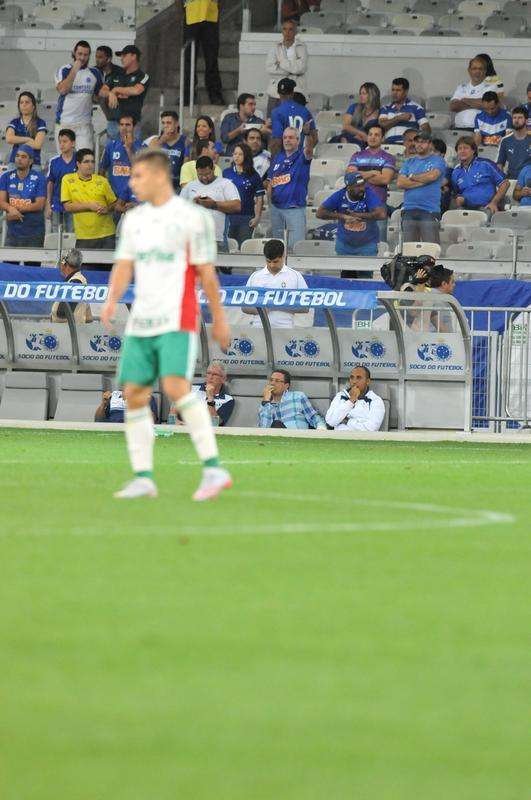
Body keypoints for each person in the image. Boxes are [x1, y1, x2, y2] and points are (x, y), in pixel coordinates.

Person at [100, 148, 232, 501]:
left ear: (159, 176)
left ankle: (213, 468)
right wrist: (112, 300)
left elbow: (206, 273)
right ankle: (143, 476)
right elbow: (125, 264)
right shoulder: (134, 220)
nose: (131, 183)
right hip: (141, 319)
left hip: (177, 317)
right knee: (134, 394)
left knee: (176, 388)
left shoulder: (193, 219)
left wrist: (218, 318)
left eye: (137, 176)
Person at [316, 172, 386, 273]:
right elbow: (319, 213)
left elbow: (382, 214)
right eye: (357, 186)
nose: (362, 188)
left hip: (367, 245)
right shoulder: (339, 195)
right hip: (345, 245)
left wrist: (358, 215)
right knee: (346, 279)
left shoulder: (368, 193)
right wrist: (342, 216)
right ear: (348, 187)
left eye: (363, 185)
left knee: (366, 280)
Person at [243, 238, 309, 328]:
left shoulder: (295, 276)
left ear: (283, 256)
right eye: (268, 261)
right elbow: (244, 307)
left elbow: (305, 307)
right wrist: (261, 310)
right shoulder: (255, 276)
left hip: (285, 328)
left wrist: (278, 305)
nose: (272, 265)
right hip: (259, 328)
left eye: (275, 261)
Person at [180, 155, 241, 251]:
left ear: (213, 169)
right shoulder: (189, 186)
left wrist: (214, 204)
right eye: (200, 175)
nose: (204, 177)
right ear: (196, 171)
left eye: (207, 174)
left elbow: (237, 206)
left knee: (220, 265)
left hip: (217, 239)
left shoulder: (225, 184)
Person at [268, 126, 314, 251]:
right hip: (276, 209)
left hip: (295, 209)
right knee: (277, 248)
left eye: (291, 137)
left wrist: (308, 134)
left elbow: (309, 149)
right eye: (285, 137)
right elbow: (270, 183)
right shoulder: (278, 158)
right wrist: (270, 204)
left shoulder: (302, 157)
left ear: (298, 140)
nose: (287, 140)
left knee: (296, 247)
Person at [61, 148, 117, 249]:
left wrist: (107, 209)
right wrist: (89, 206)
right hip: (84, 236)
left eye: (92, 161)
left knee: (107, 265)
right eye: (86, 162)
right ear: (78, 164)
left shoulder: (102, 180)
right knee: (84, 265)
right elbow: (67, 207)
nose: (90, 165)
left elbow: (114, 203)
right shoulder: (67, 179)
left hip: (107, 234)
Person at [396, 131, 446, 243]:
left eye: (423, 142)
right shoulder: (409, 162)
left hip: (429, 210)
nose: (419, 144)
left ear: (430, 144)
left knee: (430, 249)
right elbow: (400, 183)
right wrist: (423, 181)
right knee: (409, 250)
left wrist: (411, 176)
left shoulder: (438, 160)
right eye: (417, 141)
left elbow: (433, 176)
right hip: (408, 209)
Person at [55, 40, 103, 150]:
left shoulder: (95, 72)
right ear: (74, 53)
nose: (82, 58)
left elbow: (100, 92)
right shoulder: (64, 70)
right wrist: (75, 69)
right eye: (80, 54)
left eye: (85, 55)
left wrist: (111, 94)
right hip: (64, 123)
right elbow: (63, 90)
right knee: (65, 159)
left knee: (85, 158)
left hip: (84, 125)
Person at [0, 145, 46, 247]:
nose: (19, 159)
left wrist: (17, 210)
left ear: (30, 161)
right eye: (17, 156)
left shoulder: (40, 178)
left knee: (31, 263)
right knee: (9, 263)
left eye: (23, 157)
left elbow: (39, 204)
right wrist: (10, 209)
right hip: (13, 232)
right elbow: (1, 201)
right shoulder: (5, 177)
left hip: (34, 232)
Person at [451, 136, 509, 215]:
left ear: (473, 150)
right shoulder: (456, 172)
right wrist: (458, 199)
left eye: (466, 148)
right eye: (459, 148)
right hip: (465, 209)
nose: (462, 151)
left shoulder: (485, 164)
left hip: (486, 207)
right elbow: (455, 194)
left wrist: (494, 203)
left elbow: (505, 183)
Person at [99, 45, 150, 133]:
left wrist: (116, 90)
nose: (121, 58)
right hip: (113, 123)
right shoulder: (115, 74)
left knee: (132, 147)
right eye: (121, 56)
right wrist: (110, 94)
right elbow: (102, 91)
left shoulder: (143, 76)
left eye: (124, 55)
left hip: (132, 125)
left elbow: (136, 90)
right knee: (112, 147)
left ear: (133, 56)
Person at [183, 0, 224, 106]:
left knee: (211, 58)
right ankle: (187, 95)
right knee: (189, 58)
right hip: (191, 15)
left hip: (210, 15)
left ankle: (215, 94)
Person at [222, 143, 264, 246]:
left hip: (247, 217)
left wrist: (257, 217)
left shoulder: (254, 175)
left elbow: (260, 198)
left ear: (246, 156)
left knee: (243, 246)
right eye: (235, 154)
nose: (236, 156)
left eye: (240, 154)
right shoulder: (226, 173)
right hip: (229, 217)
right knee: (228, 247)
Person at [99, 114, 143, 211]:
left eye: (128, 125)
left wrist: (128, 149)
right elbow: (102, 170)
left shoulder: (142, 147)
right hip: (114, 198)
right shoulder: (111, 146)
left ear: (134, 127)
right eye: (121, 124)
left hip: (134, 198)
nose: (124, 128)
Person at [346, 123, 396, 206]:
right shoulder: (357, 155)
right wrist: (372, 173)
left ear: (382, 138)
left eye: (376, 135)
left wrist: (359, 174)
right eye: (370, 134)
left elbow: (385, 180)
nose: (373, 137)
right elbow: (350, 178)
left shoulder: (389, 158)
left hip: (377, 203)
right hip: (355, 203)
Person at [266, 19, 308, 116]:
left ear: (295, 31)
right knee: (272, 121)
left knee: (294, 121)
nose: (287, 32)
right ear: (282, 31)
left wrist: (281, 62)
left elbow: (301, 68)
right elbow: (270, 68)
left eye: (290, 29)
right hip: (275, 91)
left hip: (296, 91)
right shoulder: (275, 47)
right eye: (285, 29)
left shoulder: (301, 47)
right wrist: (291, 70)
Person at [258, 369, 325, 429]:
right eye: (271, 380)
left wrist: (321, 427)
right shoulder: (265, 405)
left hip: (298, 437)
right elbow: (264, 429)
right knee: (276, 424)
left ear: (286, 386)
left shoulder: (298, 396)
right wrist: (266, 401)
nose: (272, 383)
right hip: (277, 439)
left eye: (277, 381)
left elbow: (313, 417)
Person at [325, 366, 385, 432]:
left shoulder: (376, 400)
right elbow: (330, 421)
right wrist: (351, 400)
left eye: (358, 378)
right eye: (352, 377)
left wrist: (347, 421)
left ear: (367, 381)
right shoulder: (340, 396)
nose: (354, 381)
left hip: (363, 440)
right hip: (339, 438)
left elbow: (371, 429)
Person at [450, 57, 502, 131]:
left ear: (485, 71)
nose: (477, 71)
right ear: (469, 70)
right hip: (459, 128)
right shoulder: (461, 87)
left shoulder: (491, 87)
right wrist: (477, 104)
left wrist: (465, 100)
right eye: (474, 68)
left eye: (480, 69)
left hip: (481, 129)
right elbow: (453, 106)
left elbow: (488, 105)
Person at [270, 78, 317, 156]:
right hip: (301, 157)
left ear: (278, 93)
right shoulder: (305, 110)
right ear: (292, 93)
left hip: (284, 157)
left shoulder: (276, 112)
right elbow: (315, 138)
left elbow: (277, 142)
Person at [378, 78, 430, 144]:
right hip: (388, 145)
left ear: (406, 91)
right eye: (393, 90)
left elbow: (426, 129)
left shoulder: (416, 108)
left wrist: (418, 141)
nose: (394, 93)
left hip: (408, 145)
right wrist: (398, 118)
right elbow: (382, 124)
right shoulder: (386, 108)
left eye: (398, 90)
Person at [145, 111, 187, 190]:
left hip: (176, 184)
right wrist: (162, 141)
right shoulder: (155, 140)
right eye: (163, 123)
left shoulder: (185, 141)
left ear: (177, 124)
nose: (165, 126)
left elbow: (186, 166)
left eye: (169, 123)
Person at [50, 247, 94, 323]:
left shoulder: (76, 282)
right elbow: (89, 318)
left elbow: (62, 313)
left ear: (64, 263)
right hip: (73, 330)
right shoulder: (79, 280)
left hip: (67, 331)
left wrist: (54, 314)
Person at [45, 128, 77, 233]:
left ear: (73, 143)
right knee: (55, 233)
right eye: (60, 142)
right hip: (57, 203)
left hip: (73, 204)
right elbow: (50, 183)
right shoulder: (53, 161)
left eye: (65, 141)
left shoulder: (79, 161)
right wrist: (48, 204)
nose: (61, 145)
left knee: (71, 233)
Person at [5, 91, 47, 170]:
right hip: (15, 162)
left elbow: (37, 145)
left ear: (33, 106)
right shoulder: (14, 122)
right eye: (21, 102)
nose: (24, 104)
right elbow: (9, 139)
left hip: (34, 163)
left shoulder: (40, 123)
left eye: (27, 102)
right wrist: (28, 139)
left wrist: (17, 139)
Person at [333, 82, 381, 147]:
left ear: (372, 95)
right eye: (360, 93)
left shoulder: (379, 112)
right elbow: (346, 126)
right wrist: (362, 134)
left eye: (364, 93)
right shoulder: (354, 107)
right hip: (350, 135)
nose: (361, 96)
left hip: (367, 141)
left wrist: (365, 137)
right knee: (342, 139)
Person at [94, 45, 124, 142]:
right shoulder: (93, 72)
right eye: (96, 57)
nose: (97, 60)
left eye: (100, 57)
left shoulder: (120, 72)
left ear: (108, 59)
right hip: (96, 114)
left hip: (116, 117)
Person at [191, 362, 234, 427]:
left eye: (215, 374)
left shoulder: (228, 400)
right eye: (208, 373)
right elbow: (174, 414)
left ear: (223, 379)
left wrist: (210, 397)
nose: (210, 377)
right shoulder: (192, 389)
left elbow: (215, 424)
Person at [497, 107, 531, 179]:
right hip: (511, 180)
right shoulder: (505, 141)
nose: (516, 120)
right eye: (514, 118)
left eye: (520, 118)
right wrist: (502, 180)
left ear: (526, 120)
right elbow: (500, 164)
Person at [431, 138, 452, 214]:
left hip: (437, 205)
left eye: (435, 151)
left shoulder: (448, 169)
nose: (431, 154)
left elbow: (441, 183)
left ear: (442, 154)